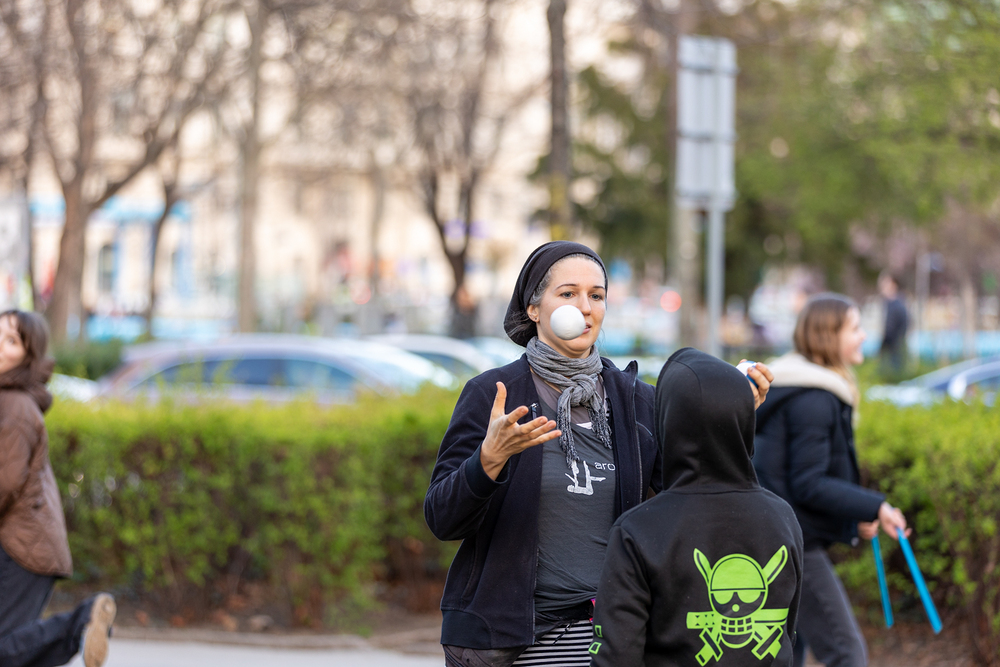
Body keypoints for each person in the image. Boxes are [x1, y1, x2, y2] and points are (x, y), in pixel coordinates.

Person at [424, 241, 773, 667]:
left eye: (596, 295)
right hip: (508, 641)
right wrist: (488, 460)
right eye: (568, 293)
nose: (585, 308)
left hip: (611, 635)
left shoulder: (638, 402)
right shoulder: (493, 394)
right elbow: (442, 519)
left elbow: (697, 494)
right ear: (533, 309)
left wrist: (729, 417)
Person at [590, 348, 803, 667]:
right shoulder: (782, 516)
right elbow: (787, 629)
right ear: (744, 421)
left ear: (667, 422)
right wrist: (730, 400)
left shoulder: (640, 529)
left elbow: (616, 656)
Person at [752, 294, 910, 667]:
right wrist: (876, 507)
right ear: (828, 335)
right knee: (846, 652)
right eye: (854, 328)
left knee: (788, 653)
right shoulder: (814, 399)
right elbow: (808, 482)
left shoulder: (801, 388)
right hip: (791, 545)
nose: (863, 335)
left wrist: (855, 517)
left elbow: (793, 481)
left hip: (778, 536)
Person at [0, 310, 116, 667]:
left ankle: (81, 622)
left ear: (28, 356)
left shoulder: (15, 406)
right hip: (22, 544)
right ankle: (80, 627)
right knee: (13, 651)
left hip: (23, 548)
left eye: (11, 341)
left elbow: (5, 482)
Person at [878, 273, 908, 379]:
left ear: (893, 285)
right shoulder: (892, 303)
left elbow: (891, 328)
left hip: (894, 347)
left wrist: (884, 345)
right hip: (895, 346)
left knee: (892, 376)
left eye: (885, 284)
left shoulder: (896, 305)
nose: (882, 287)